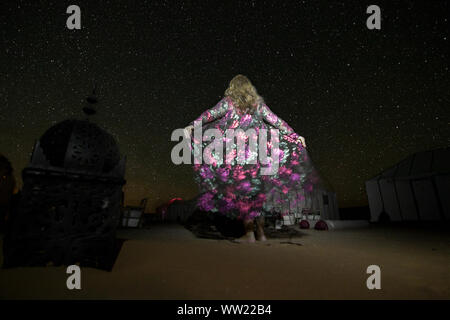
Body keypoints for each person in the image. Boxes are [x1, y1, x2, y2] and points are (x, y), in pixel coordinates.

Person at [184, 75, 317, 242]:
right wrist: (294, 135)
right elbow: (276, 121)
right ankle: (261, 234)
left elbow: (211, 114)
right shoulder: (258, 105)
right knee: (258, 196)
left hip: (239, 158)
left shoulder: (229, 102)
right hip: (260, 156)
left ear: (233, 87)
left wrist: (193, 124)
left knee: (244, 196)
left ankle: (249, 234)